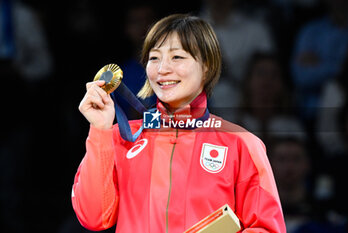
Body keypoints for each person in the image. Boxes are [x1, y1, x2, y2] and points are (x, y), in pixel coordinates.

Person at [71, 14, 286, 233]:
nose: (162, 69)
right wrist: (100, 131)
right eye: (154, 58)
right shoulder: (119, 138)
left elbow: (267, 228)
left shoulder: (242, 144)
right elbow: (93, 217)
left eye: (177, 57)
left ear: (207, 66)